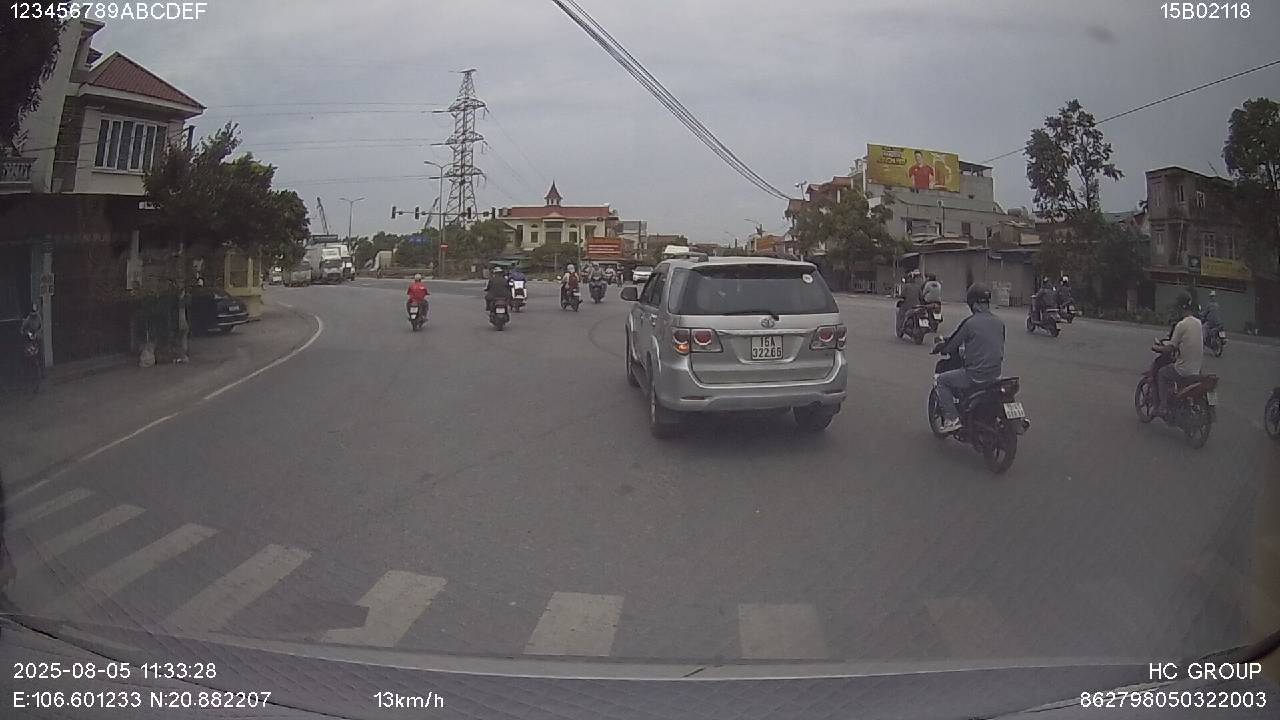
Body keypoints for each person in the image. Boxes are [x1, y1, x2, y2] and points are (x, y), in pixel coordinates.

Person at [931, 283, 1006, 434]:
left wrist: (943, 348)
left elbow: (953, 344)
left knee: (942, 381)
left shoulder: (970, 323)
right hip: (995, 376)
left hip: (975, 376)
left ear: (974, 304)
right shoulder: (1000, 322)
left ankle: (952, 419)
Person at [1155, 292, 1204, 418]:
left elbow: (1170, 348)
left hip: (1183, 370)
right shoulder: (1198, 323)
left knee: (1162, 373)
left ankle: (1163, 407)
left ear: (1180, 308)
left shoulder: (1181, 325)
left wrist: (1157, 348)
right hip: (1197, 369)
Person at [897, 269, 924, 335]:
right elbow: (921, 297)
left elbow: (902, 295)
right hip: (917, 306)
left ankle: (901, 328)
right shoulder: (918, 287)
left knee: (901, 315)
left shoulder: (906, 286)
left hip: (907, 306)